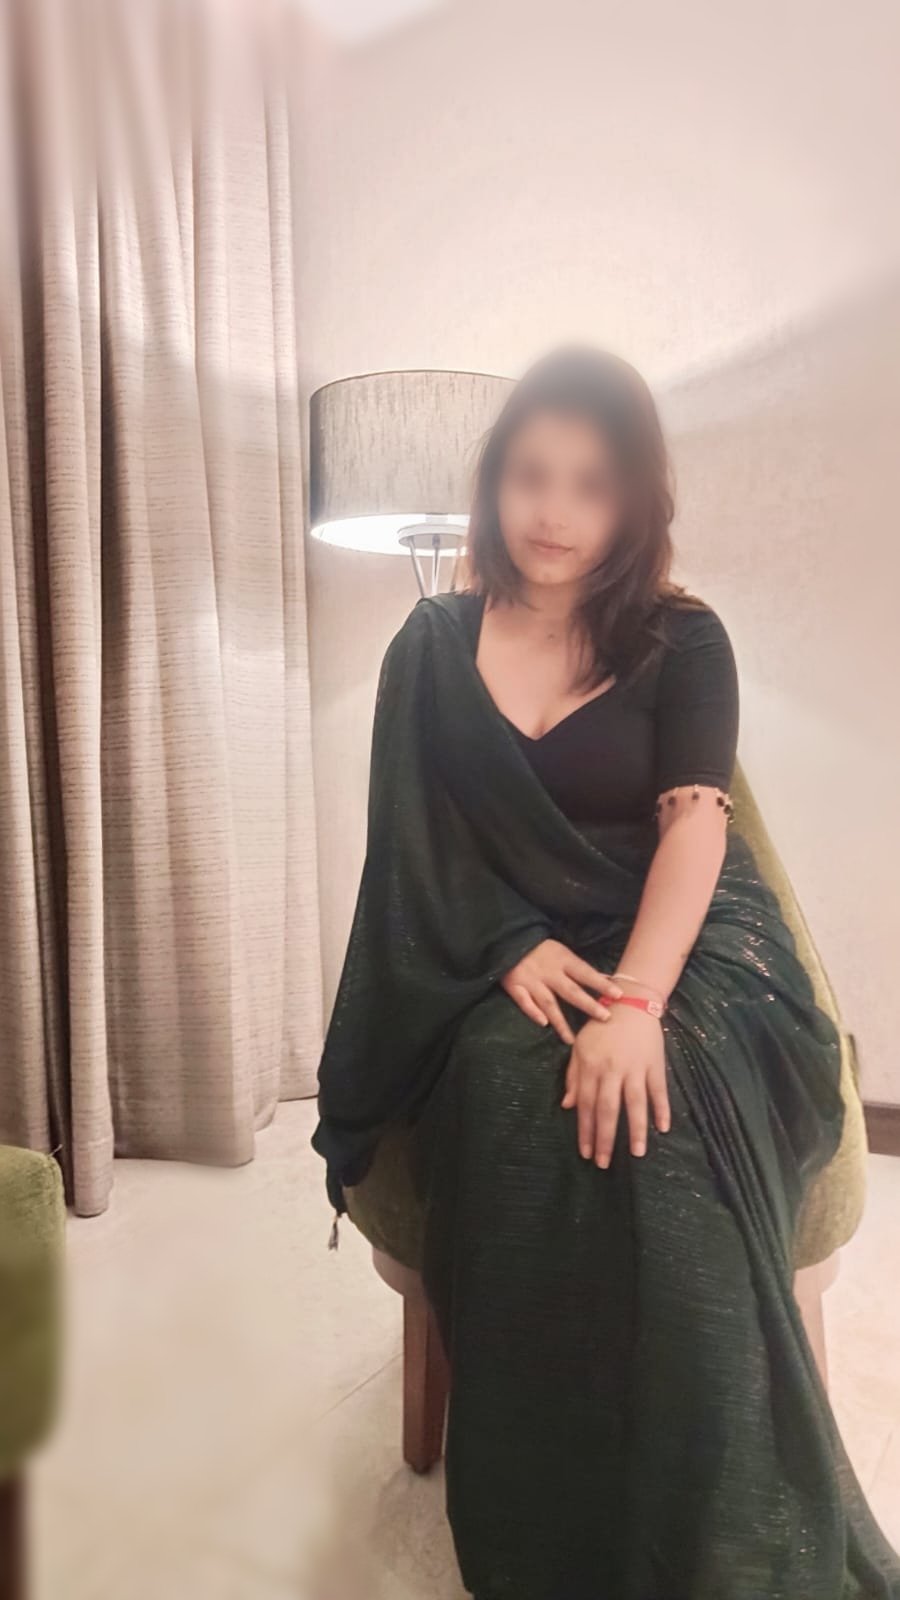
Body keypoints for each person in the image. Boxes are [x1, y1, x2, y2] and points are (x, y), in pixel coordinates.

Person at [311, 345, 900, 1599]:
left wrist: (635, 1002)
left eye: (591, 482)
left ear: (635, 499)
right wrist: (504, 943)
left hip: (689, 940)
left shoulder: (684, 638)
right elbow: (417, 845)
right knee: (509, 1092)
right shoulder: (431, 645)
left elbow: (695, 832)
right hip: (507, 941)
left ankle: (715, 1521)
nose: (555, 509)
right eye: (531, 474)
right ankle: (553, 1530)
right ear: (493, 481)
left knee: (661, 1112)